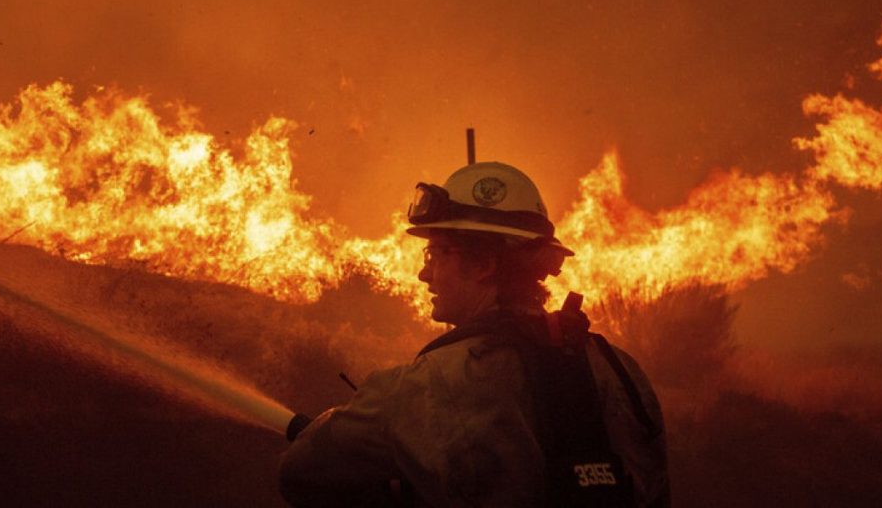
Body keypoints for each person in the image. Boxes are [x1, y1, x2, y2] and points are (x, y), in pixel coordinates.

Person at [278, 162, 669, 507]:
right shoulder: (619, 370)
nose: (424, 273)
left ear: (483, 264)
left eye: (435, 254)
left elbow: (298, 472)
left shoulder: (424, 386)